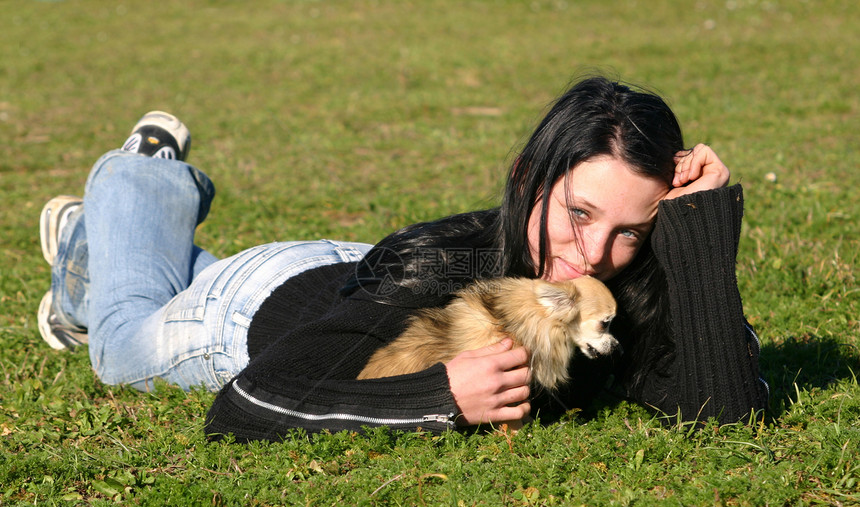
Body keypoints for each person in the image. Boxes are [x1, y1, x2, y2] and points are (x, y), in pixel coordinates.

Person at [38, 76, 768, 442]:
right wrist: (435, 396)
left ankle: (96, 251)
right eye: (577, 213)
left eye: (631, 231)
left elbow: (724, 412)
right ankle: (140, 183)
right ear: (526, 178)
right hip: (246, 311)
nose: (592, 257)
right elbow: (246, 401)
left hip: (353, 279)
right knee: (122, 336)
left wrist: (701, 229)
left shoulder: (611, 291)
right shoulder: (440, 271)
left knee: (140, 284)